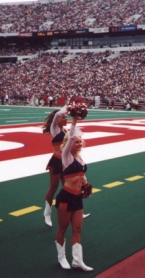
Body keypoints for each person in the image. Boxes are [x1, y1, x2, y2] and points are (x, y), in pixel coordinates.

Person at [54, 114, 93, 271]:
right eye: (76, 142)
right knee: (62, 229)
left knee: (77, 229)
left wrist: (85, 183)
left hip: (77, 197)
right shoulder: (66, 156)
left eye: (80, 141)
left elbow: (81, 174)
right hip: (66, 196)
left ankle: (77, 260)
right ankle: (62, 258)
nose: (78, 143)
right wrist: (75, 121)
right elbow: (70, 138)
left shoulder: (80, 157)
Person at [42, 106, 68, 227]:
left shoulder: (65, 131)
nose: (66, 119)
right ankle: (47, 212)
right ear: (57, 119)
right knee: (53, 188)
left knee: (68, 188)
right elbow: (58, 114)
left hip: (65, 162)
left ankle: (72, 209)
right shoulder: (55, 129)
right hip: (56, 161)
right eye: (64, 117)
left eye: (67, 117)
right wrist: (72, 106)